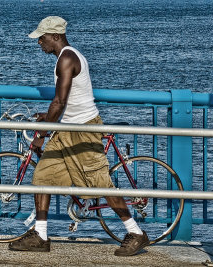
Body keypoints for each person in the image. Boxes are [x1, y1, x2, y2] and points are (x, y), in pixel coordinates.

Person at [8, 16, 150, 257]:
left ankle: (135, 232)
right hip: (68, 129)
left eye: (42, 38)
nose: (39, 42)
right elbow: (64, 104)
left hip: (84, 130)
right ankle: (40, 235)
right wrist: (50, 117)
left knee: (100, 184)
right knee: (43, 175)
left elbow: (59, 101)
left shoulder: (67, 58)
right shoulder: (66, 57)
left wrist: (41, 135)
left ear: (55, 36)